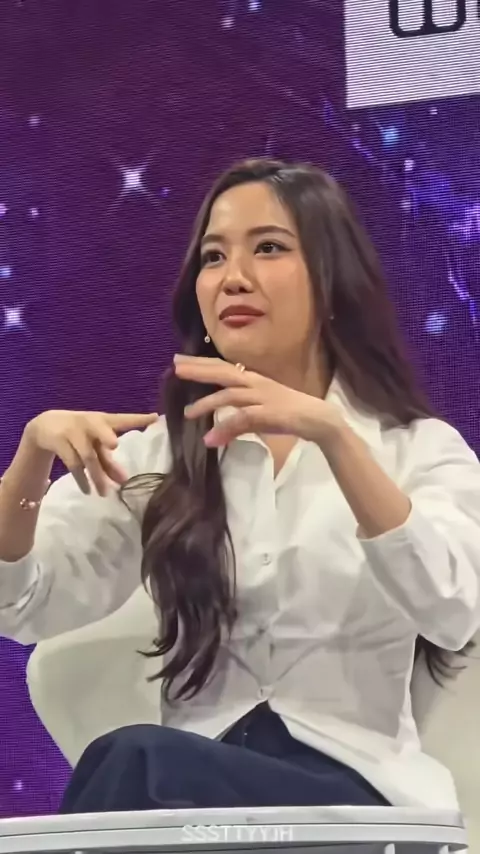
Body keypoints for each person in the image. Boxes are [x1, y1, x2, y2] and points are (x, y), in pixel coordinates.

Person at [1, 158, 480, 814]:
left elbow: (453, 612)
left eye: (269, 248)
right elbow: (25, 605)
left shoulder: (416, 449)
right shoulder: (161, 454)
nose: (233, 277)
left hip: (356, 792)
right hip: (195, 788)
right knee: (139, 768)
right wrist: (29, 464)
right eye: (214, 256)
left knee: (133, 761)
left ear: (332, 281)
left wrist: (335, 437)